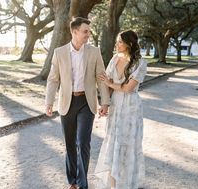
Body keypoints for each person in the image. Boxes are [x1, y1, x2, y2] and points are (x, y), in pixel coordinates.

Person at [45, 17, 110, 189]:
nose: (88, 35)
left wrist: (105, 102)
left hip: (86, 102)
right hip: (67, 102)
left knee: (82, 142)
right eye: (85, 31)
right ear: (74, 32)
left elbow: (101, 78)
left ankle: (83, 183)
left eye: (88, 31)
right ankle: (72, 181)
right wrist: (49, 101)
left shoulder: (94, 52)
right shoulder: (59, 52)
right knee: (70, 144)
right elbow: (53, 79)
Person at [95, 30, 147, 189]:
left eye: (120, 42)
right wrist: (104, 104)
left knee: (126, 146)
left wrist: (110, 84)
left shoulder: (140, 63)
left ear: (129, 44)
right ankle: (113, 185)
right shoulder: (114, 59)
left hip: (131, 108)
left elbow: (128, 88)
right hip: (116, 106)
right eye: (117, 41)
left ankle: (126, 184)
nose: (117, 44)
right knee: (113, 145)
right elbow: (107, 85)